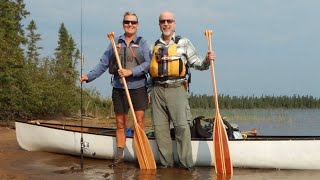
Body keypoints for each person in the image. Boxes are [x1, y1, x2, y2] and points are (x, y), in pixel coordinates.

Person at [80, 12, 150, 167]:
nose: (130, 25)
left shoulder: (143, 43)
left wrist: (131, 71)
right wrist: (88, 77)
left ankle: (141, 153)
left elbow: (148, 64)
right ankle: (120, 155)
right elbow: (103, 63)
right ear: (123, 23)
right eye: (127, 22)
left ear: (137, 25)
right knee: (120, 122)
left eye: (133, 22)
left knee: (139, 122)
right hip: (119, 88)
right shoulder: (114, 42)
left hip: (137, 87)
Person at [149, 10, 216, 171]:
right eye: (163, 21)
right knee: (160, 129)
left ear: (174, 24)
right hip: (157, 90)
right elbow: (150, 71)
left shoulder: (183, 42)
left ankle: (186, 165)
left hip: (177, 88)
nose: (166, 24)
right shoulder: (154, 45)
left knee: (182, 128)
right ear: (159, 24)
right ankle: (166, 164)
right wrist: (148, 92)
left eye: (169, 21)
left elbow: (198, 64)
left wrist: (207, 59)